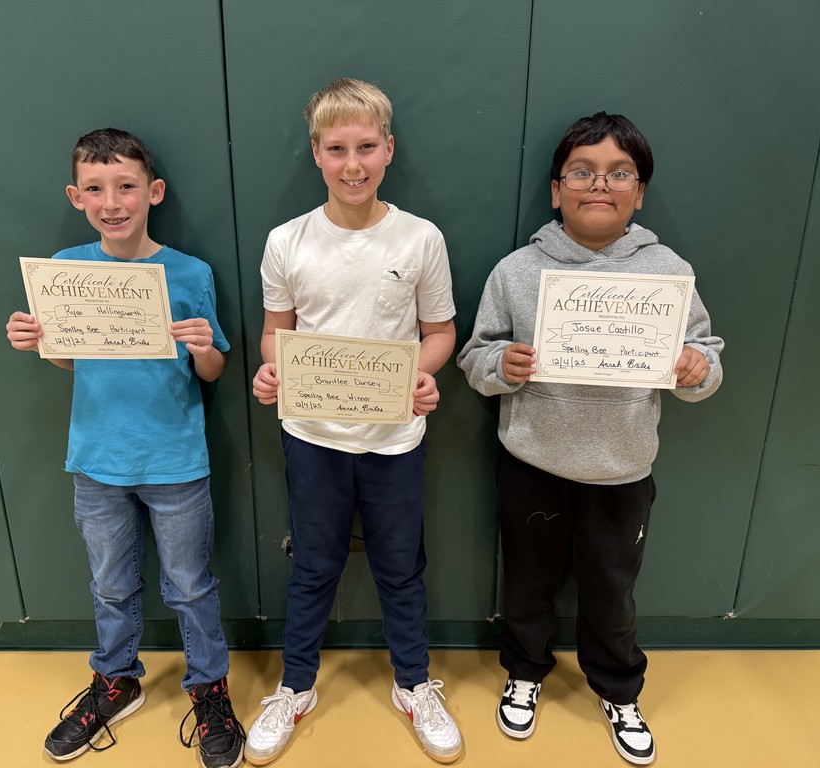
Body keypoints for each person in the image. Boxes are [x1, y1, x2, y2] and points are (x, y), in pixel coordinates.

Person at [457, 112, 723, 766]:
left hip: (622, 470)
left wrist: (697, 370)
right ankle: (524, 673)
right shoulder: (517, 270)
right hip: (532, 464)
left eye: (617, 173)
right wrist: (499, 367)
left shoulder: (667, 271)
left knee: (612, 590)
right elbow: (475, 355)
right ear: (556, 189)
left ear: (639, 191)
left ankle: (619, 688)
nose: (598, 184)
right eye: (581, 171)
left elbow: (706, 356)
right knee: (527, 583)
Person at [5, 128, 245, 768]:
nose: (112, 202)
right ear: (76, 195)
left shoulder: (191, 273)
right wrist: (36, 339)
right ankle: (117, 679)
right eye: (95, 188)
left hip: (174, 461)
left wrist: (203, 349)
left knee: (190, 586)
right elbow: (67, 358)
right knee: (110, 585)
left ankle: (209, 687)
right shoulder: (67, 268)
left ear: (153, 192)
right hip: (97, 461)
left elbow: (214, 370)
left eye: (127, 186)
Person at [246, 78, 462, 765]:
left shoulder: (421, 238)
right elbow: (275, 334)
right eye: (337, 148)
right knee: (313, 565)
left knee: (402, 566)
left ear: (388, 150)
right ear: (316, 154)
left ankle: (413, 683)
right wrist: (272, 369)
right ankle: (296, 686)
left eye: (366, 147)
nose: (353, 164)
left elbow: (440, 332)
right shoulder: (288, 241)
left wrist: (420, 375)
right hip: (312, 436)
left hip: (394, 439)